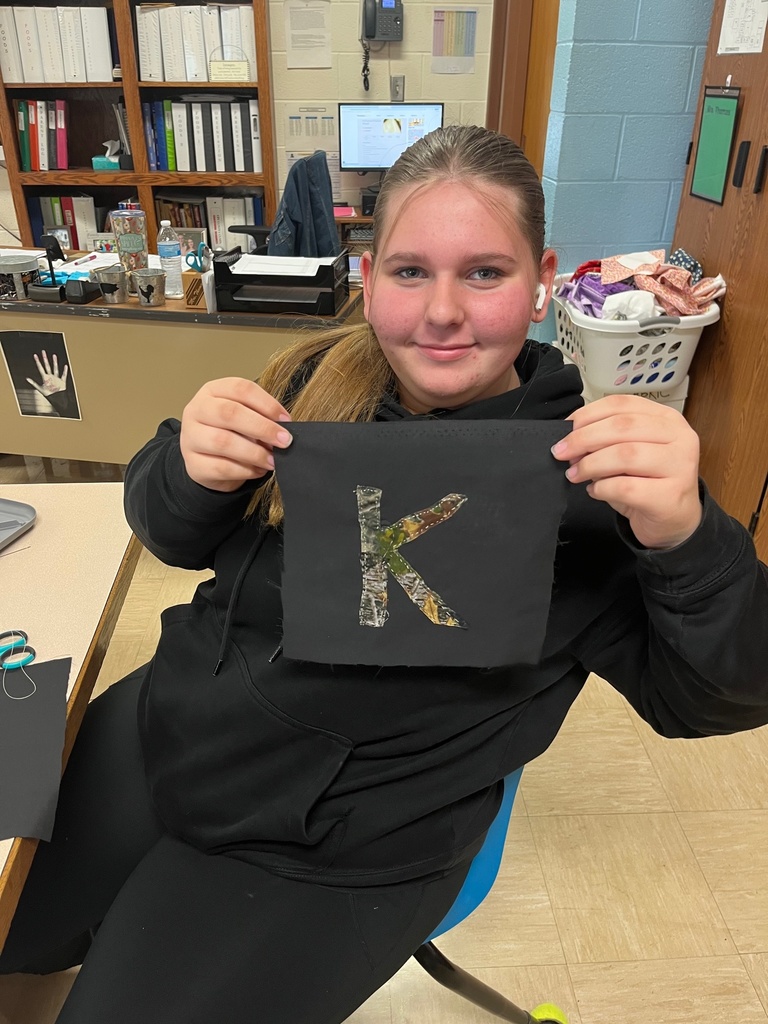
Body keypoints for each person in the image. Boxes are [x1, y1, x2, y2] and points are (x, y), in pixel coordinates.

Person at [1, 125, 767, 1022]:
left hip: (340, 845)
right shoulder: (311, 381)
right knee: (14, 918)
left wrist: (690, 542)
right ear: (369, 279)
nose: (442, 312)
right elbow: (169, 534)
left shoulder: (586, 480)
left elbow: (715, 700)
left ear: (541, 280)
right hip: (168, 724)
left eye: (484, 273)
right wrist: (183, 466)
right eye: (410, 272)